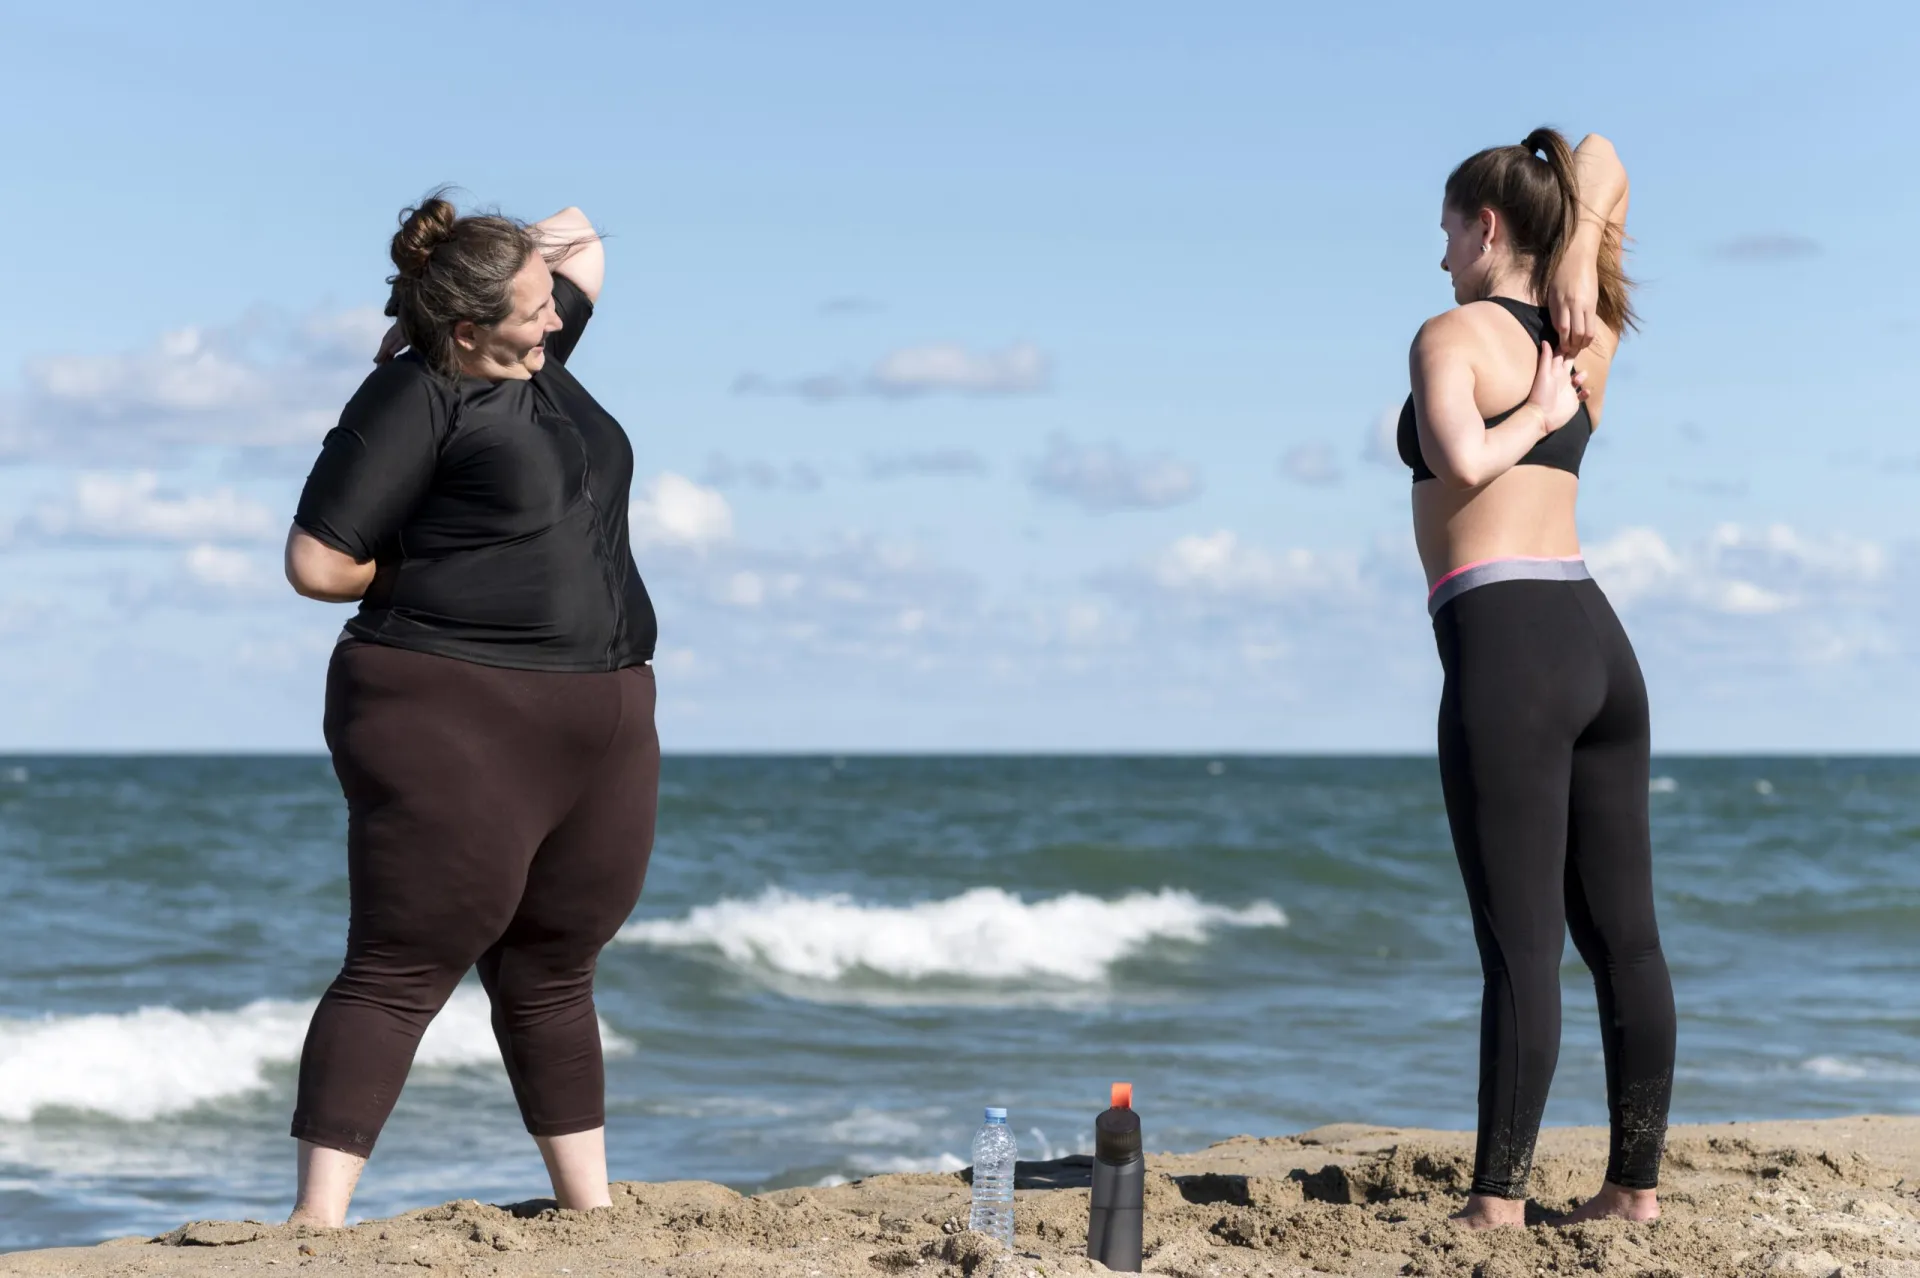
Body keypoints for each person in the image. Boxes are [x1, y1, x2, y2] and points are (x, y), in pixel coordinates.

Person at [282, 192, 660, 1226]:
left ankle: (590, 1214)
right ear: (465, 330)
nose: (555, 319)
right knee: (405, 959)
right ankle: (316, 1227)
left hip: (604, 707)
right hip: (452, 704)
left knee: (555, 959)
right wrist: (447, 570)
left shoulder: (533, 350)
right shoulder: (414, 395)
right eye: (531, 309)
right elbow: (316, 562)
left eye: (548, 305)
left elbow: (581, 233)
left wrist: (483, 259)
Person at [1398, 129, 1675, 1229]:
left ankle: (1497, 1205)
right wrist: (1582, 252)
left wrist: (1530, 420)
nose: (1442, 259)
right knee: (1626, 940)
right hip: (1598, 644)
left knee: (1520, 947)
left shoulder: (1450, 334)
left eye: (1448, 234)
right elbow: (1602, 154)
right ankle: (1631, 1193)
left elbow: (1462, 459)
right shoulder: (1584, 332)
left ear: (1488, 226)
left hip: (1508, 645)